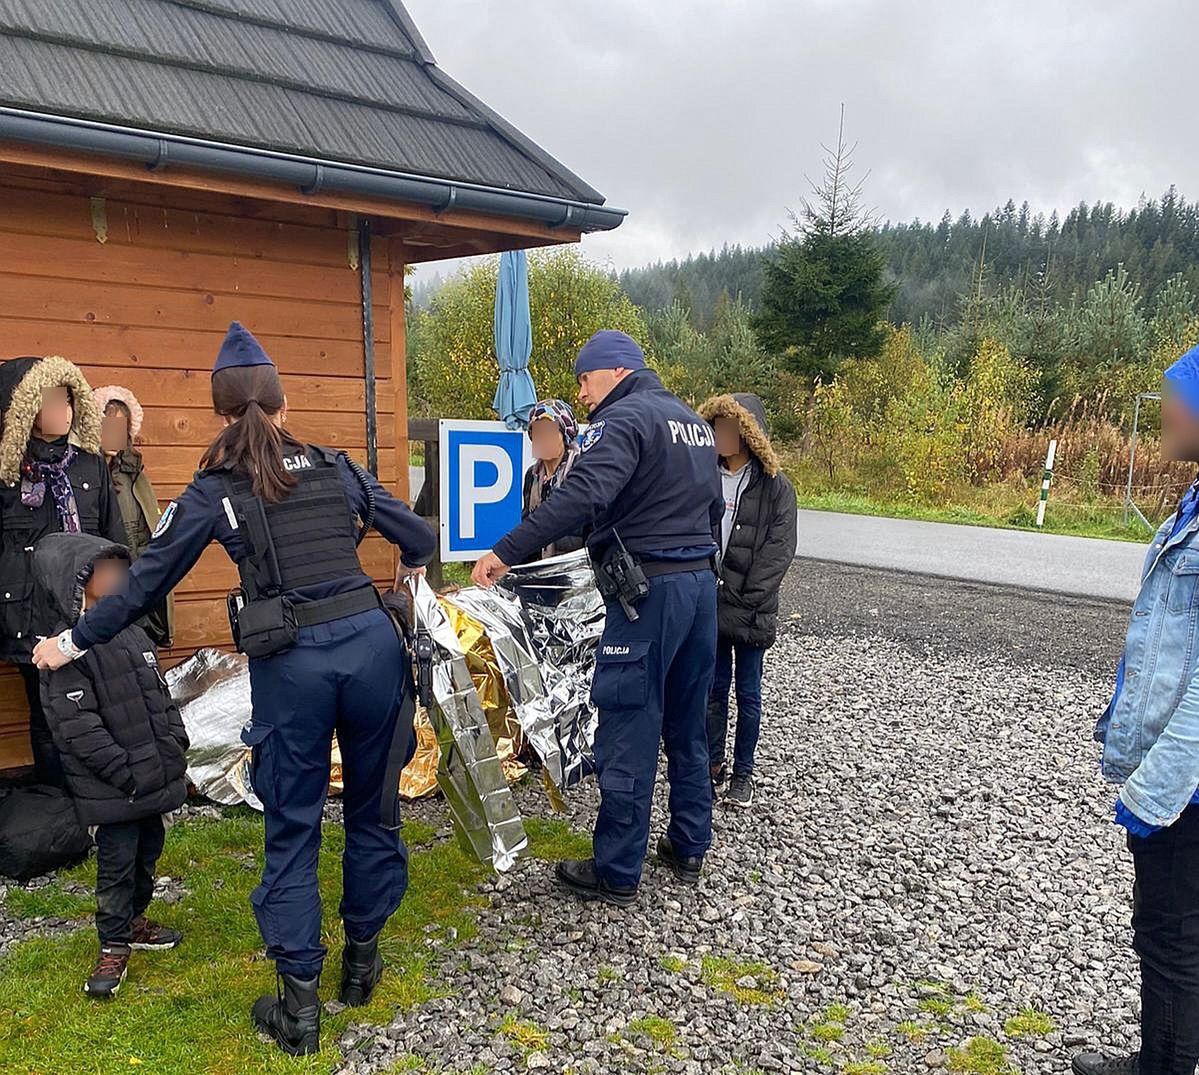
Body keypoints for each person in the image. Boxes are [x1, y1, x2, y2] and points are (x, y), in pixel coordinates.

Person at [35, 322, 436, 1056]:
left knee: (293, 825)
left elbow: (143, 584)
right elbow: (419, 535)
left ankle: (300, 1010)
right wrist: (408, 574)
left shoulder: (213, 490)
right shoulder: (333, 466)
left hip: (295, 663)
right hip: (373, 649)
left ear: (223, 412)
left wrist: (69, 642)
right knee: (375, 812)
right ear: (282, 403)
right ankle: (361, 964)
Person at [472, 329, 723, 905]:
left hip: (647, 595)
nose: (581, 393)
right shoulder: (691, 422)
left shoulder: (624, 420)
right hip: (700, 590)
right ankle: (689, 845)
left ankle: (616, 868)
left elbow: (581, 495)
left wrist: (506, 549)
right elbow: (712, 505)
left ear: (614, 371)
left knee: (629, 722)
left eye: (585, 379)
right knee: (688, 722)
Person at [1074, 342, 1199, 1075]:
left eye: (1175, 393)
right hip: (1173, 770)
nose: (1163, 408)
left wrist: (1158, 790)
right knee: (1165, 928)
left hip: (1184, 782)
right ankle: (1157, 1054)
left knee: (1172, 934)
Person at [35, 532, 188, 999]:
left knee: (148, 853)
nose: (120, 578)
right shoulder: (63, 654)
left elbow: (159, 698)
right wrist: (126, 772)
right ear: (79, 581)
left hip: (151, 778)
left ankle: (136, 920)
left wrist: (175, 745)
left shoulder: (134, 633)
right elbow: (78, 730)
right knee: (117, 865)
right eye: (107, 571)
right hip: (115, 788)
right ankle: (113, 942)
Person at [0, 355, 124, 787]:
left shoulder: (89, 466)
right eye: (51, 399)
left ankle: (104, 797)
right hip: (29, 615)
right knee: (48, 711)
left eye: (67, 399)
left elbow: (114, 537)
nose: (62, 409)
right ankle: (58, 800)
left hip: (90, 610)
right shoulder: (6, 473)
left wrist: (122, 602)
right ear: (25, 408)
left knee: (102, 704)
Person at [698, 392, 796, 809]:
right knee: (712, 688)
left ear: (749, 433)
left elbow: (779, 550)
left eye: (729, 427)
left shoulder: (776, 487)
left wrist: (746, 596)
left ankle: (744, 773)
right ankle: (711, 765)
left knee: (748, 693)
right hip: (710, 603)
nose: (721, 435)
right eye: (715, 426)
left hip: (752, 610)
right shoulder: (703, 475)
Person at [93, 385, 173, 648]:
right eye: (108, 426)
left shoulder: (135, 474)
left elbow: (150, 528)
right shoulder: (87, 475)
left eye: (120, 427)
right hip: (104, 584)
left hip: (140, 582)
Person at [520, 398, 583, 560]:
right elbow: (528, 527)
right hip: (543, 566)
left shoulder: (581, 468)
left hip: (578, 564)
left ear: (565, 435)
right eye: (537, 432)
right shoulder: (532, 476)